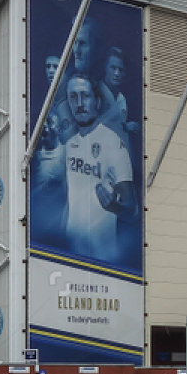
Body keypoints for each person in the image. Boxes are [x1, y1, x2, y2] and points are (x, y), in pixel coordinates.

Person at [38, 74, 136, 260]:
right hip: (70, 254)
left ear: (97, 102)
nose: (79, 103)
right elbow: (70, 199)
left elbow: (133, 211)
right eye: (73, 97)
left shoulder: (113, 143)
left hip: (103, 260)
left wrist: (115, 206)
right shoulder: (71, 145)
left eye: (85, 96)